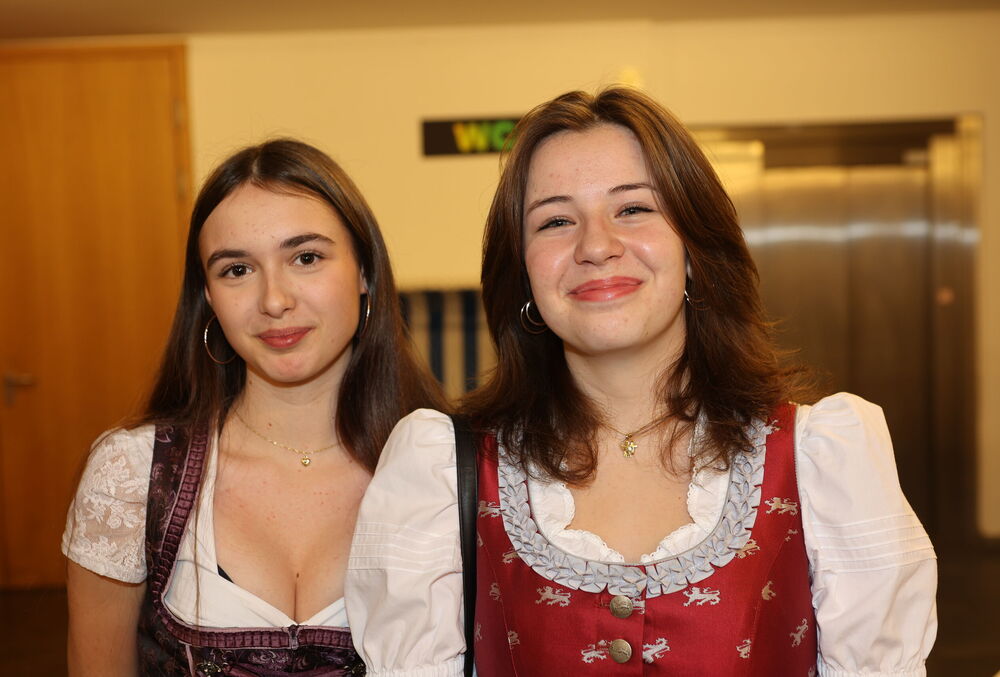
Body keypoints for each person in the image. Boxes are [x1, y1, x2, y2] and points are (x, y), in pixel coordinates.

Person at [346, 88, 937, 676]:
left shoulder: (816, 458)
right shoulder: (447, 473)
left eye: (632, 209)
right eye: (555, 220)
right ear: (523, 271)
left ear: (693, 247)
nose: (596, 246)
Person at [62, 139, 445, 676]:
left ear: (365, 272)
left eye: (306, 258)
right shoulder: (134, 476)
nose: (274, 300)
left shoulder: (450, 469)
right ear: (209, 298)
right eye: (237, 270)